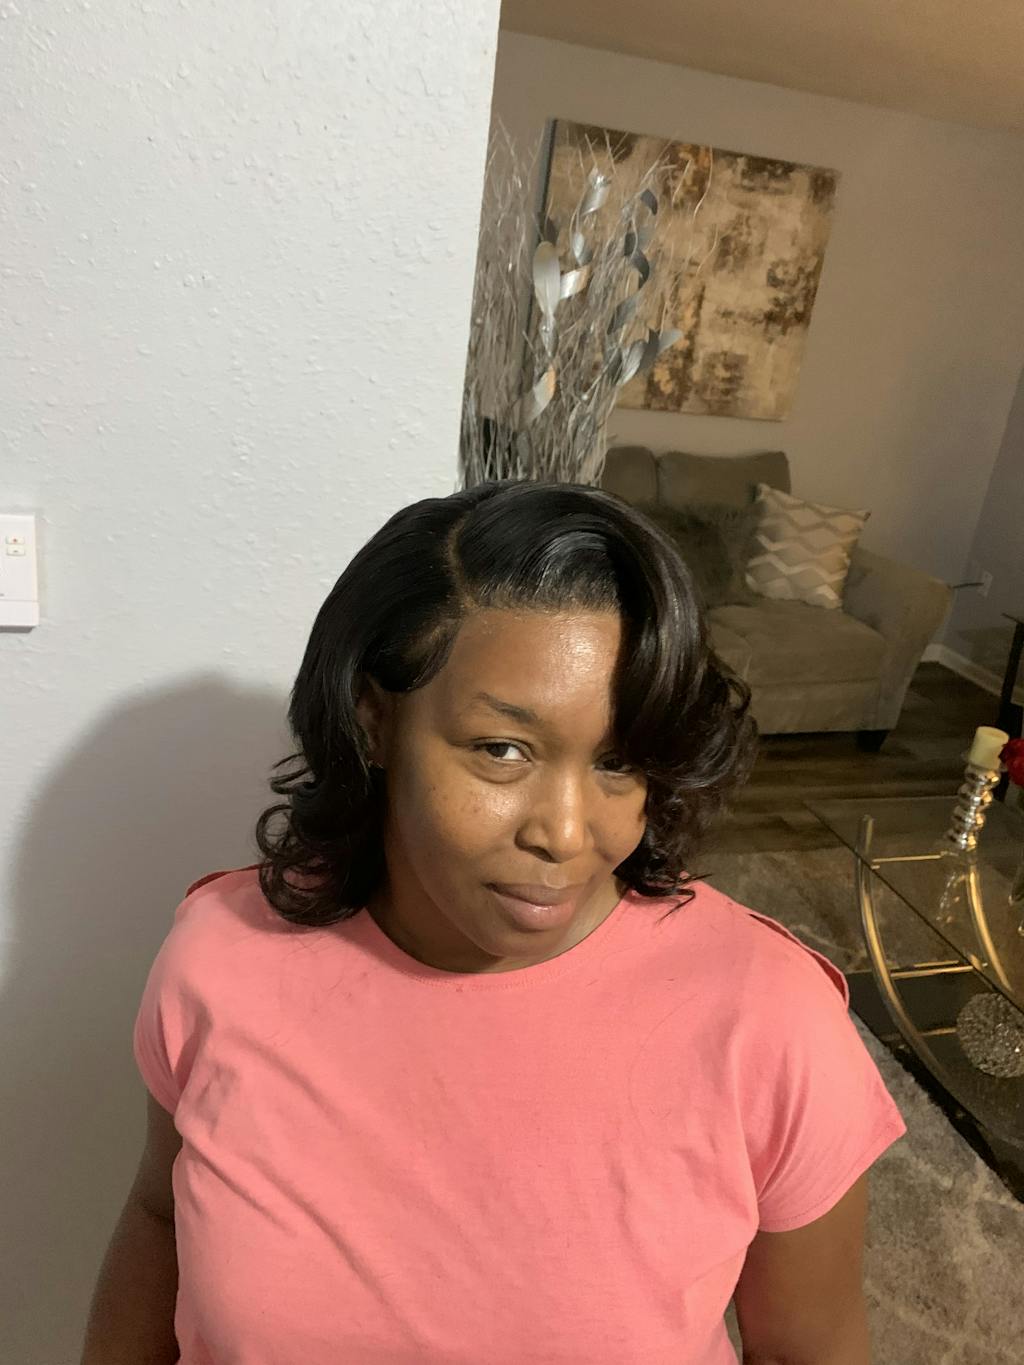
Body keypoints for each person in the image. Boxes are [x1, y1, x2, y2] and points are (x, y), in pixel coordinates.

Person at [81, 480, 906, 1364]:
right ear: (374, 719)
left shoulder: (770, 1017)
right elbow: (160, 1216)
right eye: (502, 750)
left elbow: (806, 1345)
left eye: (619, 759)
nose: (566, 832)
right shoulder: (223, 956)